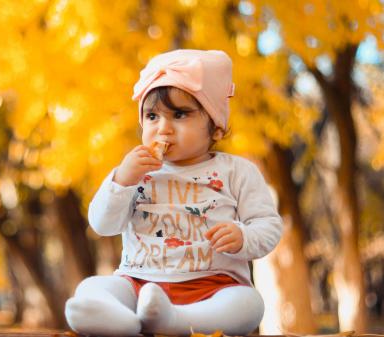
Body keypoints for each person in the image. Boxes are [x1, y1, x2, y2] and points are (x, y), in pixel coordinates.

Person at [65, 49, 283, 336]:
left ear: (216, 127)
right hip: (138, 283)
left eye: (179, 115)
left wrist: (243, 236)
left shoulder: (237, 172)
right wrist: (121, 181)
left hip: (213, 286)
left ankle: (175, 320)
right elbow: (102, 224)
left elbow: (269, 226)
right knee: (92, 287)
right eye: (152, 116)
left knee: (249, 304)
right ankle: (124, 323)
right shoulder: (133, 172)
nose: (163, 129)